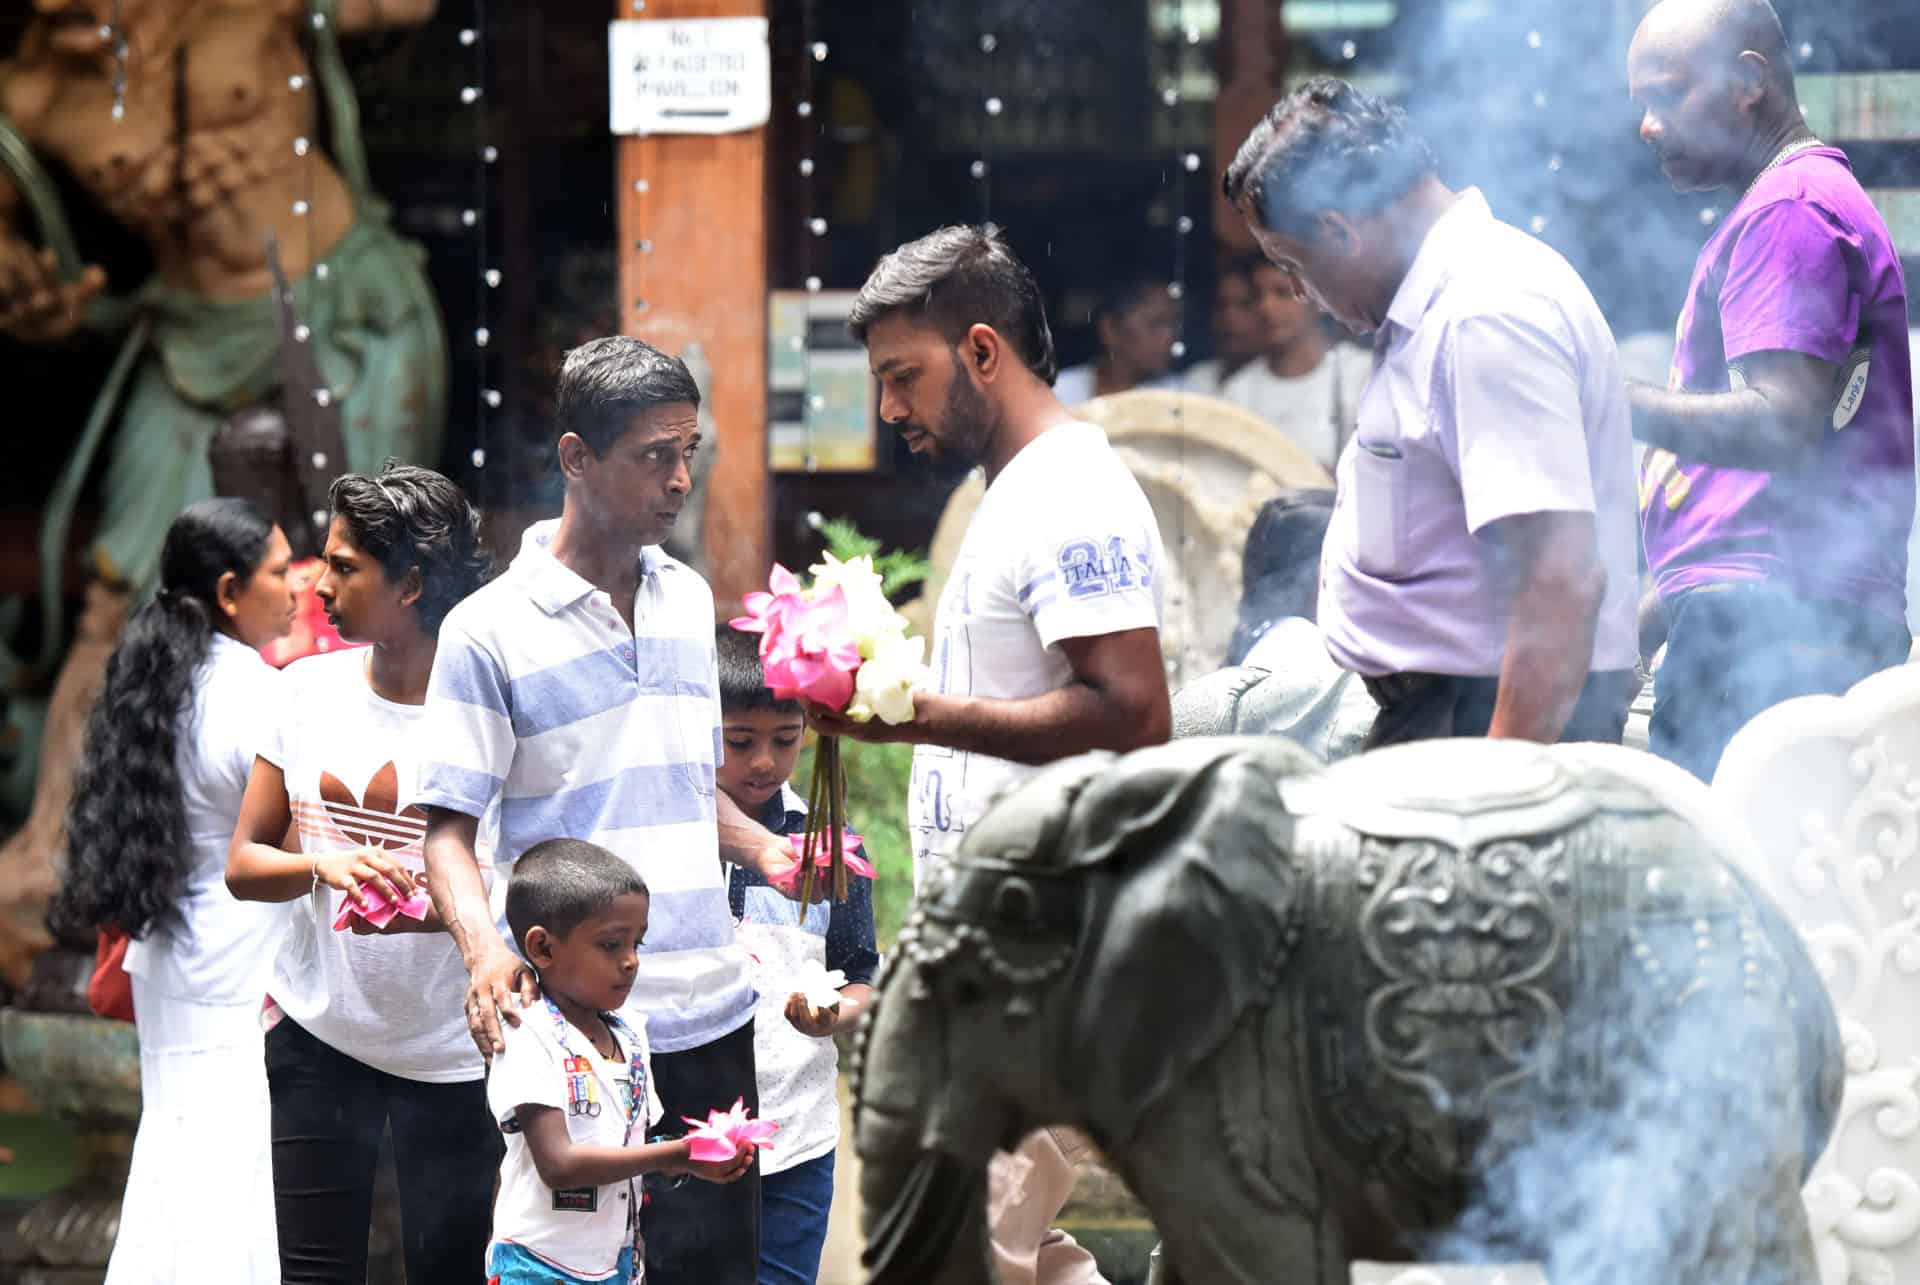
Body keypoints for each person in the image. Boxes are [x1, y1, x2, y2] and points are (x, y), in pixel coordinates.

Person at [819, 223, 1175, 1285]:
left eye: (903, 377)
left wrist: (915, 716)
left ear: (982, 351)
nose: (889, 410)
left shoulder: (1069, 490)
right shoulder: (1013, 486)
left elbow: (1129, 709)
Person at [416, 336, 801, 1285]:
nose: (679, 481)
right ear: (576, 457)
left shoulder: (689, 598)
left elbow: (677, 787)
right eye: (653, 456)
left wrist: (773, 849)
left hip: (710, 1012)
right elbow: (448, 830)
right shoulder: (486, 629)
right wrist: (484, 950)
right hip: (573, 1036)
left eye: (689, 454)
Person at [1222, 78, 1639, 749]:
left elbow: (1562, 578)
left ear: (1340, 230)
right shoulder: (1431, 306)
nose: (1298, 293)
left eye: (1291, 266)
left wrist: (1493, 786)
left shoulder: (1485, 312)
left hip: (1487, 719)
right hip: (1450, 710)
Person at [1626, 0, 1913, 781]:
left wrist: (1610, 397)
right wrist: (1643, 627)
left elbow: (1781, 424)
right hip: (1768, 614)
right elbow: (1736, 504)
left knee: (1724, 889)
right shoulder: (1786, 204)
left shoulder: (1789, 208)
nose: (1649, 127)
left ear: (1748, 80)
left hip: (1773, 624)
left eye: (1666, 94)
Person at [224, 465, 497, 1285]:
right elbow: (245, 863)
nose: (320, 582)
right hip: (318, 1037)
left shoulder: (488, 709)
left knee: (447, 1271)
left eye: (345, 566)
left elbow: (535, 876)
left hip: (458, 1054)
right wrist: (324, 866)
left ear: (411, 583)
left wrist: (448, 912)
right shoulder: (303, 689)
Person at [49, 497, 295, 1283]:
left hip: (173, 957)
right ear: (229, 591)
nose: (297, 589)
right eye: (282, 572)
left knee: (174, 1170)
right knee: (230, 1186)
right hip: (235, 970)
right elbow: (293, 836)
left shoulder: (161, 674)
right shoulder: (255, 690)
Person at [486, 839, 755, 1285]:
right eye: (611, 945)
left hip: (618, 1264)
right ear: (543, 948)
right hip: (536, 1266)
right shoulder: (526, 1032)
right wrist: (677, 1155)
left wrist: (698, 1152)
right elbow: (558, 1165)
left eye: (637, 943)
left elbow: (628, 1145)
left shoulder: (630, 1035)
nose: (630, 961)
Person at [715, 626, 878, 1285]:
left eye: (785, 739)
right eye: (740, 741)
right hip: (689, 1128)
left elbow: (863, 971)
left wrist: (835, 1013)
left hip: (797, 1132)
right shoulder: (671, 838)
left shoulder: (835, 847)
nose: (764, 761)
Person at [1219, 259, 1369, 471]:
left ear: (1318, 300)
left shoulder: (1359, 374)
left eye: (1282, 293)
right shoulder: (1237, 392)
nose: (1266, 306)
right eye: (1256, 297)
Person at [1052, 273, 1183, 404]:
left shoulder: (1181, 398)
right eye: (1156, 323)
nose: (1169, 336)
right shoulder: (1059, 394)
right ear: (1110, 328)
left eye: (1173, 324)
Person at [1182, 255, 1263, 397]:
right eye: (1221, 305)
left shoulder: (1278, 382)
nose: (1229, 317)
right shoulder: (1196, 379)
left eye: (1244, 305)